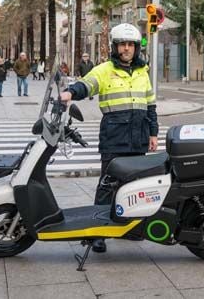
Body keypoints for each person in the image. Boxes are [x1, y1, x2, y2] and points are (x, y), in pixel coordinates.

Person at [59, 23, 158, 253]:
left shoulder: (143, 71)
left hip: (139, 136)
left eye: (130, 45)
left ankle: (130, 228)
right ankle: (99, 232)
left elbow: (151, 105)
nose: (126, 49)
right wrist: (70, 93)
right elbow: (87, 85)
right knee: (108, 184)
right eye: (122, 44)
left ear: (136, 48)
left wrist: (153, 133)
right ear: (115, 47)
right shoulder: (104, 69)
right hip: (114, 136)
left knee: (135, 185)